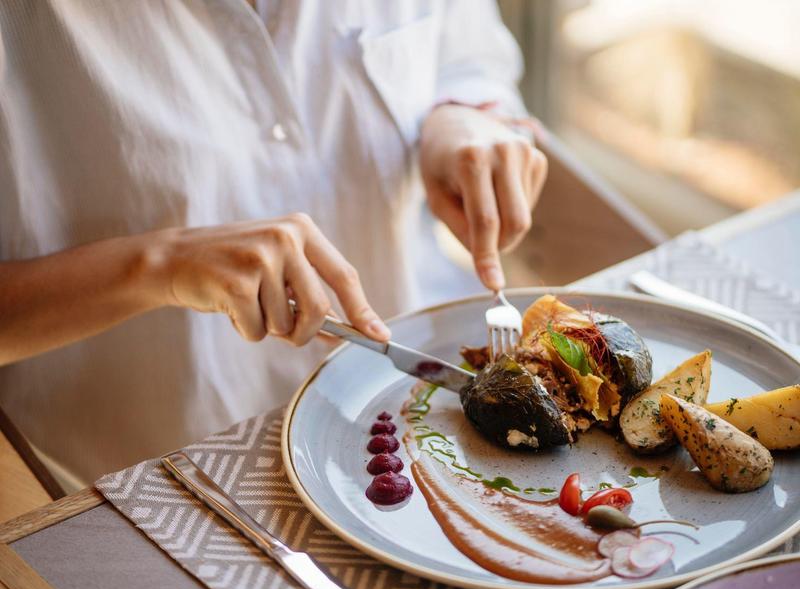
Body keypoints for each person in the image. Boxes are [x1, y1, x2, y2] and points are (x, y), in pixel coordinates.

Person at [0, 1, 547, 489]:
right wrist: (156, 267)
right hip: (145, 480)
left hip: (411, 428)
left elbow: (471, 59)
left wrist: (458, 114)